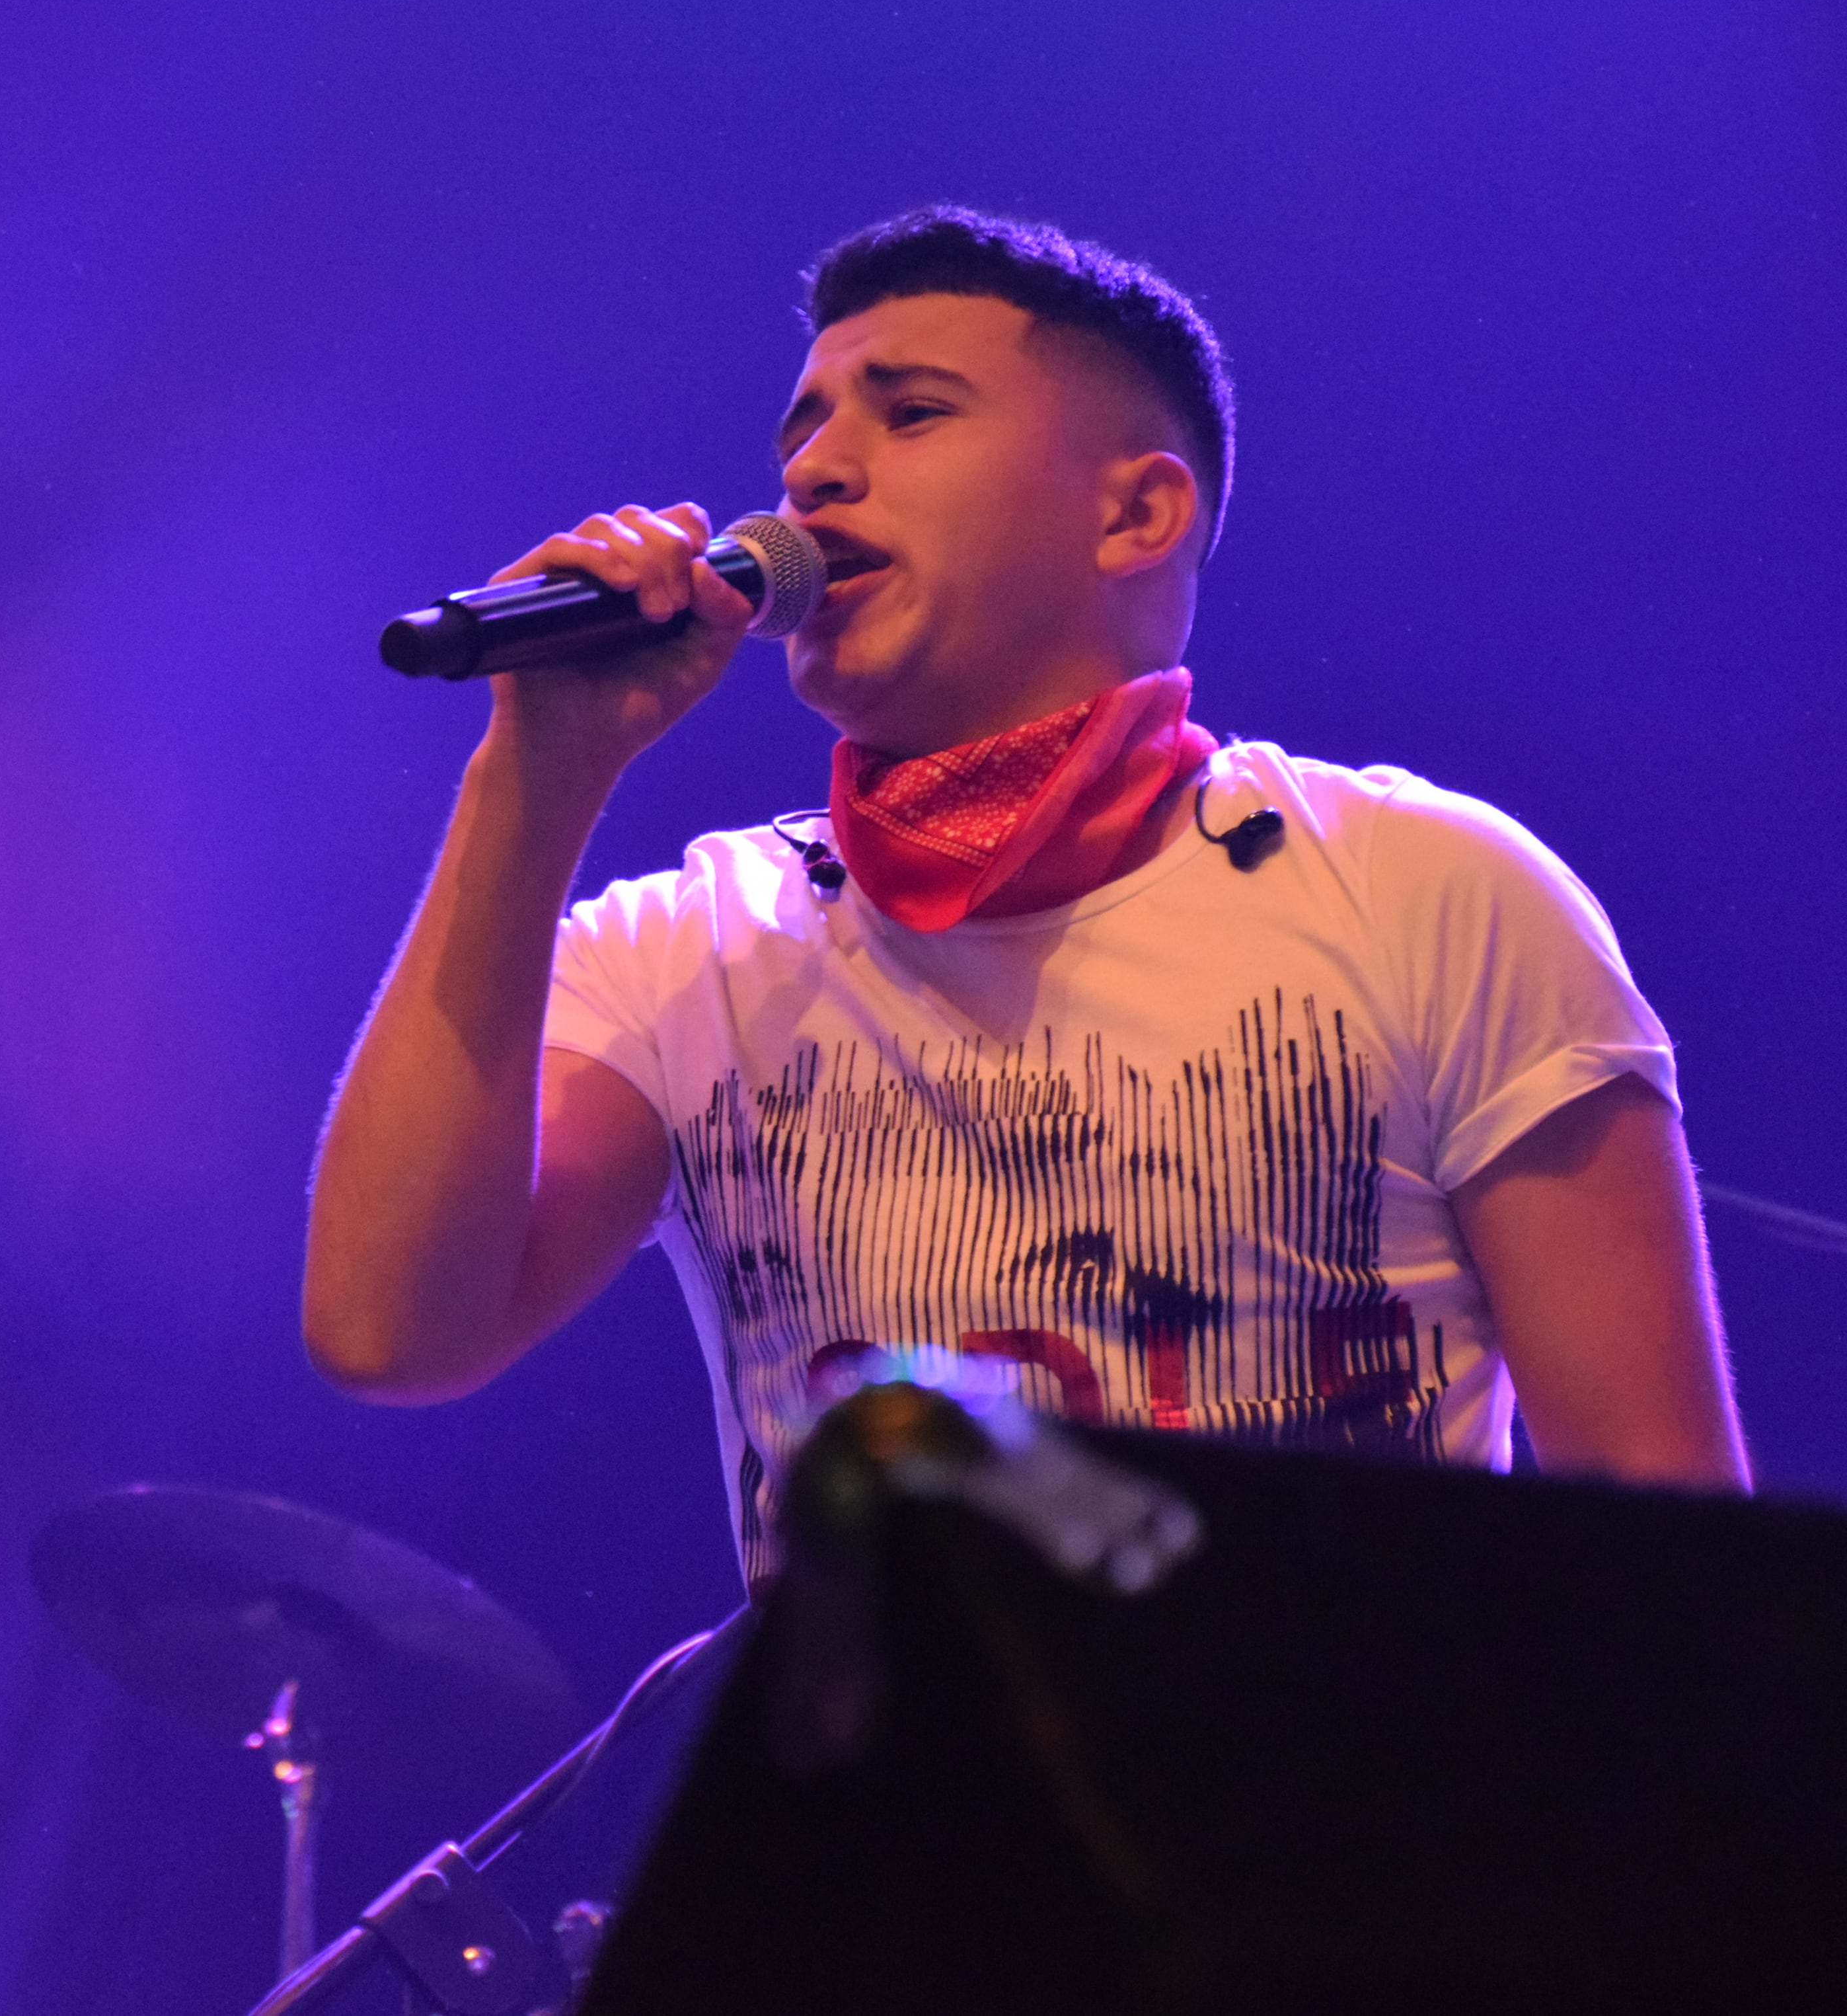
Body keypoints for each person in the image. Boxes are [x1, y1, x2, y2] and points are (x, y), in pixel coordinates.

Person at [304, 206, 1747, 1580]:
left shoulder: (1423, 886)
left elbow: (1668, 1532)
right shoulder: (699, 944)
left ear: (1134, 513)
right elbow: (389, 1329)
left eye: (910, 411)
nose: (809, 472)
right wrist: (535, 773)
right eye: (800, 428)